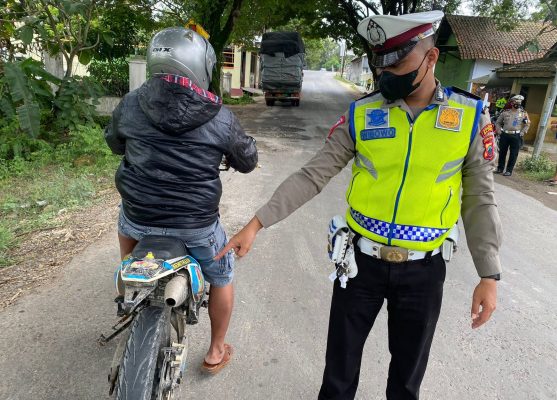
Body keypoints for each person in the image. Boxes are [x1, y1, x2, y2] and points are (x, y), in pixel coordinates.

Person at [216, 10, 502, 400]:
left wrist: (489, 275)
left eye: (398, 62)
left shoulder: (469, 118)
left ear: (431, 58)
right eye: (380, 63)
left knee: (406, 381)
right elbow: (312, 175)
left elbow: (480, 199)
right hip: (359, 267)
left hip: (424, 272)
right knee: (338, 374)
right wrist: (257, 222)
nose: (387, 74)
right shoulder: (363, 113)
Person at [105, 27, 258, 373]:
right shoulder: (218, 115)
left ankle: (131, 276)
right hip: (195, 226)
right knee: (222, 275)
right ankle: (216, 350)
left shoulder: (131, 103)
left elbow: (114, 144)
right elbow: (247, 161)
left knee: (126, 218)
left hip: (137, 216)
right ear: (200, 66)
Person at [495, 94, 530, 176]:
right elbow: (498, 123)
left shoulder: (523, 114)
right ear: (512, 103)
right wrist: (499, 131)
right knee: (502, 152)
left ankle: (509, 170)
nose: (517, 104)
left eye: (519, 102)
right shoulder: (505, 113)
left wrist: (522, 133)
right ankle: (500, 168)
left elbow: (527, 124)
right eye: (516, 102)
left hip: (516, 136)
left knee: (513, 154)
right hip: (505, 135)